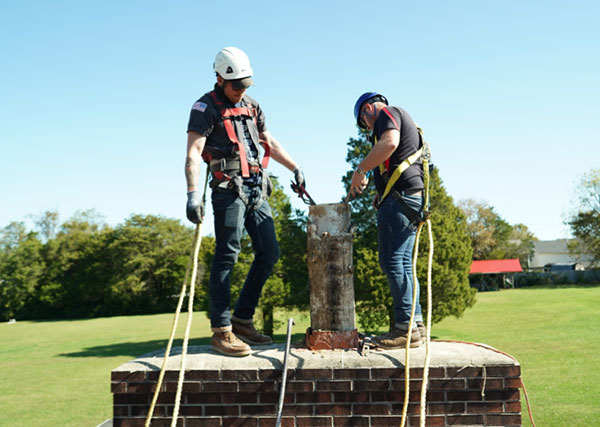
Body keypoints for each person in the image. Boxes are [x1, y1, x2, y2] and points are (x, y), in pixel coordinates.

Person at [185, 47, 305, 357]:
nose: (241, 91)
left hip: (256, 188)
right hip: (227, 190)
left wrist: (295, 167)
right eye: (236, 85)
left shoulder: (252, 106)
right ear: (220, 79)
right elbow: (193, 153)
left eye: (245, 85)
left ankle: (241, 320)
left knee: (269, 253)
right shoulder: (204, 108)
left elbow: (268, 141)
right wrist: (192, 194)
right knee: (227, 255)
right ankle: (221, 329)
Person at [349, 92, 426, 349]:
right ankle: (416, 324)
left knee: (392, 261)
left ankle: (404, 328)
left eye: (365, 122)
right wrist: (380, 192)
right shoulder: (403, 117)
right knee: (404, 262)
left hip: (401, 198)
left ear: (368, 109)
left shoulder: (386, 113)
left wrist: (360, 170)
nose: (368, 128)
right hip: (410, 197)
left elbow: (390, 143)